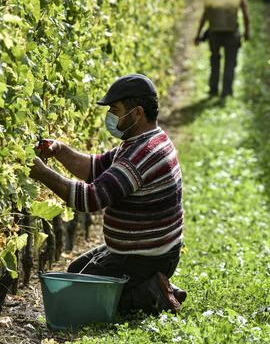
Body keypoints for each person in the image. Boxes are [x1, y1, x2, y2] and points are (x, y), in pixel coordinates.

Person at [29, 74, 186, 315]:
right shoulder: (144, 140)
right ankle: (151, 284)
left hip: (146, 256)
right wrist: (59, 150)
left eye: (115, 110)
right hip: (146, 250)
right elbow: (94, 167)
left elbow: (91, 199)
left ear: (138, 113)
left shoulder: (143, 154)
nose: (110, 117)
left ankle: (153, 293)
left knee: (80, 299)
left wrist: (42, 174)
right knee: (75, 271)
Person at [194, 0, 250, 98]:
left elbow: (205, 14)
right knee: (230, 63)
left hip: (214, 33)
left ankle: (213, 90)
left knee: (214, 60)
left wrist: (198, 34)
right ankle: (227, 92)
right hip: (232, 33)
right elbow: (245, 14)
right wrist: (247, 32)